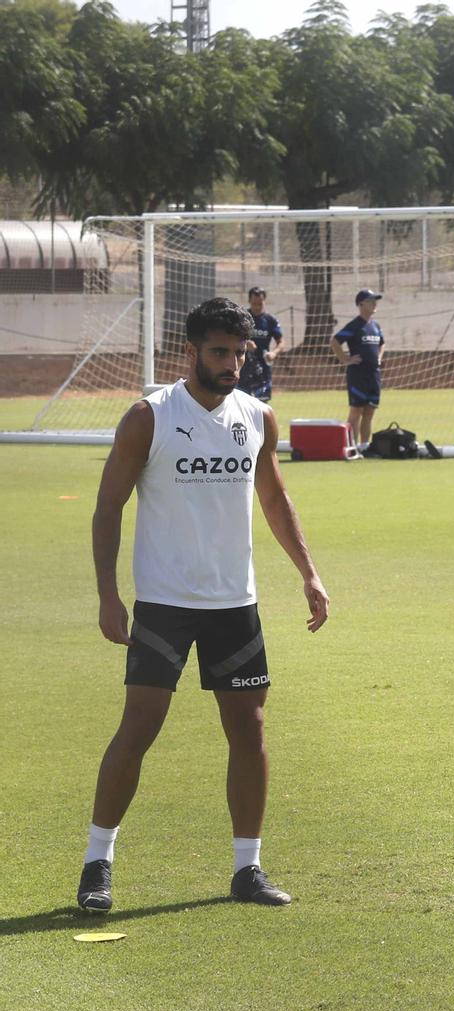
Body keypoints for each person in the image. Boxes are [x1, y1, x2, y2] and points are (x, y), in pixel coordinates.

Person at [77, 297, 330, 915]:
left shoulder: (258, 417)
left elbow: (274, 498)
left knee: (249, 728)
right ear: (190, 351)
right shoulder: (148, 417)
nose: (232, 364)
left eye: (240, 353)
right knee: (140, 726)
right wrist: (108, 594)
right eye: (220, 352)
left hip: (234, 604)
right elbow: (108, 507)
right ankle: (97, 862)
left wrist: (308, 572)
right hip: (163, 604)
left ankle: (248, 868)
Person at [334, 289, 386, 454]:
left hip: (374, 375)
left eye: (375, 301)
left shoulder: (376, 326)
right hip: (358, 375)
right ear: (361, 304)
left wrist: (379, 357)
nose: (374, 304)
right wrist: (345, 359)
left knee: (369, 411)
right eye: (370, 301)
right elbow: (335, 341)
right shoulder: (355, 325)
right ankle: (352, 446)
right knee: (356, 410)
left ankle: (364, 446)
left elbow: (382, 343)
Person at [240, 286, 283, 403]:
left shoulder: (270, 320)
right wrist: (244, 343)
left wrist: (274, 353)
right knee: (242, 403)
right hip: (242, 368)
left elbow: (281, 342)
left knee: (262, 404)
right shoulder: (242, 318)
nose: (257, 306)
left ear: (264, 301)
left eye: (260, 303)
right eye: (254, 303)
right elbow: (231, 338)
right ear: (249, 301)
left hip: (262, 369)